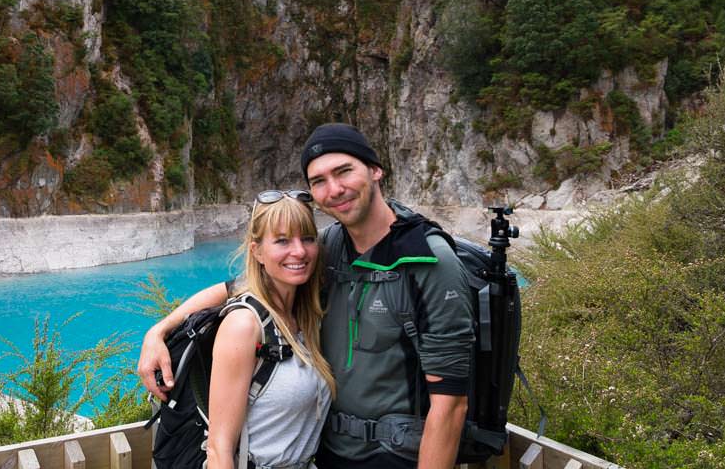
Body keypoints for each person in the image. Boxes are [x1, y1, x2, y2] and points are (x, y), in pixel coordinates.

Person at [140, 124, 474, 469]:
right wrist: (158, 331)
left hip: (396, 458)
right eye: (319, 181)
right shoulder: (327, 247)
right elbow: (239, 288)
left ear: (375, 170)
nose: (335, 189)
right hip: (330, 455)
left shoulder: (428, 261)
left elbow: (450, 406)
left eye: (344, 171)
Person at [205, 190, 334, 469]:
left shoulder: (306, 316)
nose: (299, 251)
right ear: (258, 251)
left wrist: (161, 328)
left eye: (308, 238)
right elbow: (218, 448)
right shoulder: (244, 325)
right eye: (283, 241)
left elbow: (227, 288)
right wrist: (157, 333)